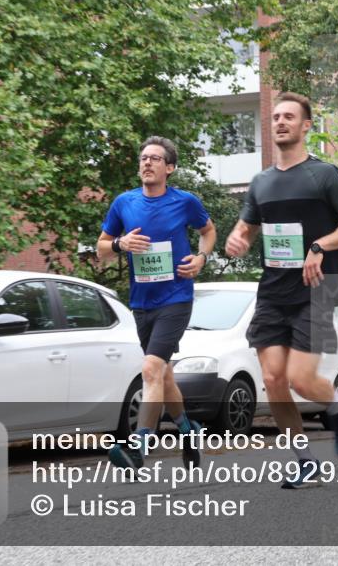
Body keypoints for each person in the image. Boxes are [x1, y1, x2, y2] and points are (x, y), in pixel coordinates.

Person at [225, 92, 338, 489]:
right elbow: (246, 227)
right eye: (275, 117)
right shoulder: (261, 182)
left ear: (307, 125)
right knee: (273, 380)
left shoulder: (324, 174)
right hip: (273, 291)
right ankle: (305, 461)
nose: (280, 122)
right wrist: (236, 239)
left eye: (289, 116)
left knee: (302, 380)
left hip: (319, 290)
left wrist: (320, 246)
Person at [98, 136, 216, 470]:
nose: (147, 163)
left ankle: (139, 448)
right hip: (142, 300)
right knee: (163, 375)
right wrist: (121, 243)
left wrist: (201, 258)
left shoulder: (185, 202)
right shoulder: (124, 203)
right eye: (143, 158)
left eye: (155, 159)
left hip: (176, 296)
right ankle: (187, 430)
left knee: (150, 368)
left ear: (170, 168)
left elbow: (209, 231)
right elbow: (102, 248)